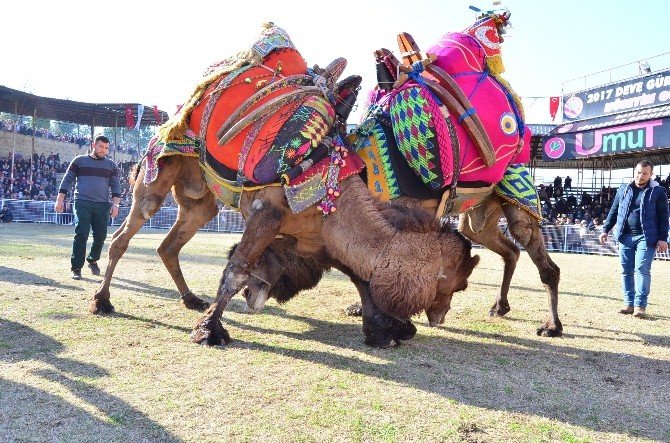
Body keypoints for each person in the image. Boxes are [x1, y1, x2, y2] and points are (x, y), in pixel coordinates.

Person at [599, 160, 669, 318]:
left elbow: (664, 217)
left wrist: (663, 238)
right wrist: (605, 229)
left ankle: (640, 306)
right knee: (626, 271)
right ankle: (629, 304)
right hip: (625, 236)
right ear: (634, 171)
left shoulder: (658, 192)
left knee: (642, 270)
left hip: (646, 237)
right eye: (638, 172)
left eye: (645, 173)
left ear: (651, 174)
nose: (640, 176)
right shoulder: (623, 189)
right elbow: (614, 210)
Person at [55, 135, 120, 280]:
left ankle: (92, 259)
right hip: (82, 202)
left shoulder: (111, 165)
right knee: (81, 233)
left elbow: (116, 186)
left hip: (102, 204)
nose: (103, 150)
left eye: (106, 148)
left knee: (101, 235)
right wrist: (60, 200)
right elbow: (67, 180)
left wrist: (115, 204)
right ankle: (76, 268)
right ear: (93, 145)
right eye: (101, 146)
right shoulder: (79, 161)